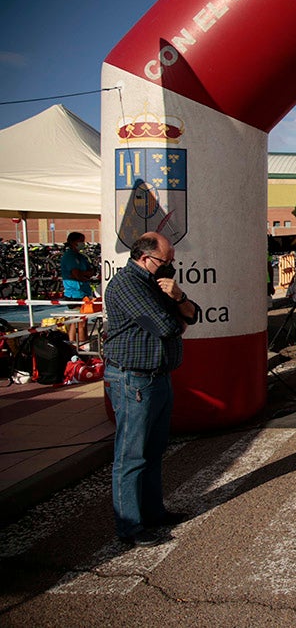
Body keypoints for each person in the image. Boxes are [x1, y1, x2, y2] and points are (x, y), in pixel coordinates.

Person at [104, 232, 200, 547]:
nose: (171, 266)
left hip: (157, 377)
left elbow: (193, 315)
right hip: (133, 379)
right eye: (166, 261)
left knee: (154, 451)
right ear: (146, 258)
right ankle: (129, 526)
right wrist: (177, 315)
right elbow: (166, 326)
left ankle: (153, 512)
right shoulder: (128, 285)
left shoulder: (156, 285)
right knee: (131, 455)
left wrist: (180, 298)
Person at [60, 231, 96, 347]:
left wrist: (84, 274)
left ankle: (79, 344)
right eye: (80, 241)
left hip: (84, 292)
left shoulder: (81, 257)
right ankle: (79, 346)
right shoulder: (69, 257)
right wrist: (82, 275)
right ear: (72, 242)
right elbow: (76, 274)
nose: (82, 243)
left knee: (81, 321)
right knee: (78, 321)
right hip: (74, 294)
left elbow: (91, 272)